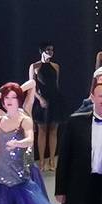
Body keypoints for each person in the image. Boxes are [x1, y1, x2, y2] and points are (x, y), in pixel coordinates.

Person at [29, 43, 62, 171]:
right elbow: (31, 87)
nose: (50, 52)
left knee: (54, 130)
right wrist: (40, 99)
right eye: (48, 49)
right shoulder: (34, 66)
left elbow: (56, 85)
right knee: (42, 131)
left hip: (55, 100)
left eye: (52, 50)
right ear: (42, 51)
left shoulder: (56, 66)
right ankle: (42, 161)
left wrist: (57, 100)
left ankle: (52, 160)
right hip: (41, 100)